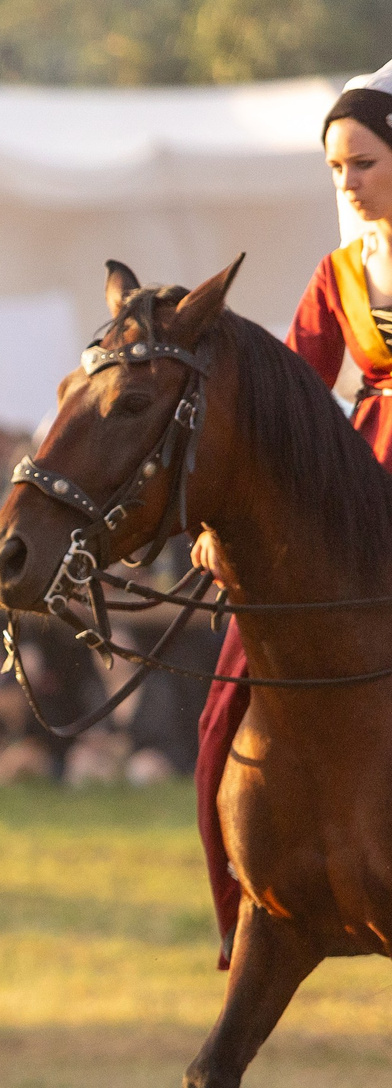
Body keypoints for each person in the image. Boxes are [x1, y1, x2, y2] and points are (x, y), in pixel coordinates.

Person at [195, 60, 392, 961]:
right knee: (234, 683)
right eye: (336, 170)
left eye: (364, 163)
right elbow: (284, 401)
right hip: (357, 482)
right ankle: (250, 890)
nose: (347, 184)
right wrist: (220, 522)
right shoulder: (339, 272)